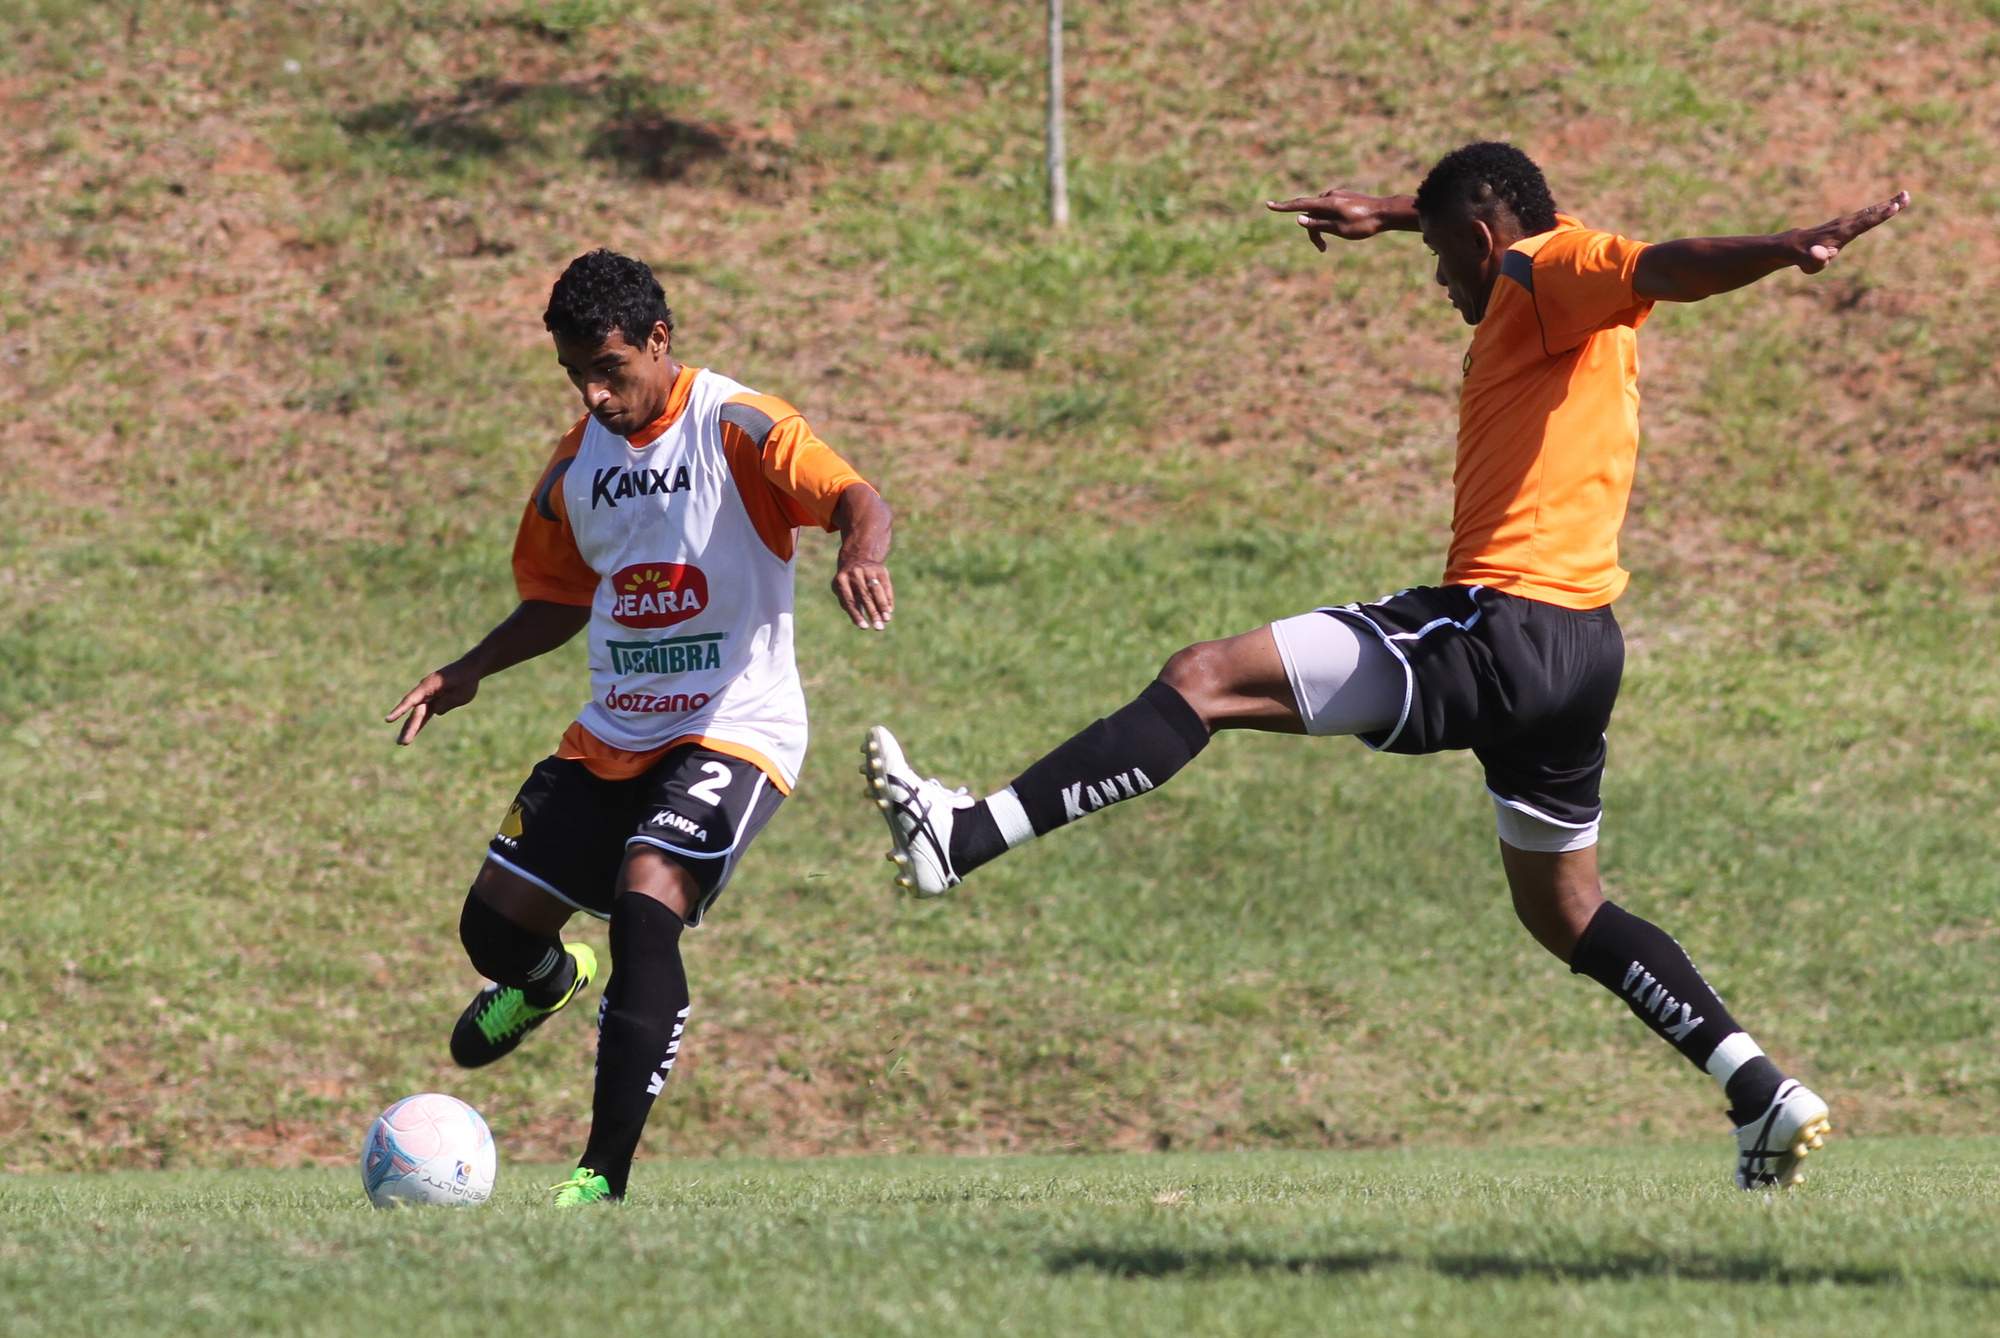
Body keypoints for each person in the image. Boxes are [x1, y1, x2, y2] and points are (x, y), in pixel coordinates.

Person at [863, 142, 1909, 1191]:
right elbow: (1518, 232)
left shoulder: (1544, 270)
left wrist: (1781, 248)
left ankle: (960, 837)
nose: (1439, 284)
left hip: (1501, 627)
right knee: (1565, 910)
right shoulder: (1528, 270)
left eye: (1442, 259)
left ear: (1481, 243)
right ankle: (1758, 1092)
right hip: (1583, 650)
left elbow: (1661, 266)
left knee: (1203, 679)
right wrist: (1392, 211)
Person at [389, 248, 894, 1205]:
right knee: (491, 930)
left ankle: (599, 1177)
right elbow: (558, 597)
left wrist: (860, 553)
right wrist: (469, 670)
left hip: (733, 727)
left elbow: (858, 499)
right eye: (576, 374)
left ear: (660, 342)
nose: (593, 393)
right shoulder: (575, 465)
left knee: (645, 899)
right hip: (611, 731)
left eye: (610, 370)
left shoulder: (737, 424)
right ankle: (544, 983)